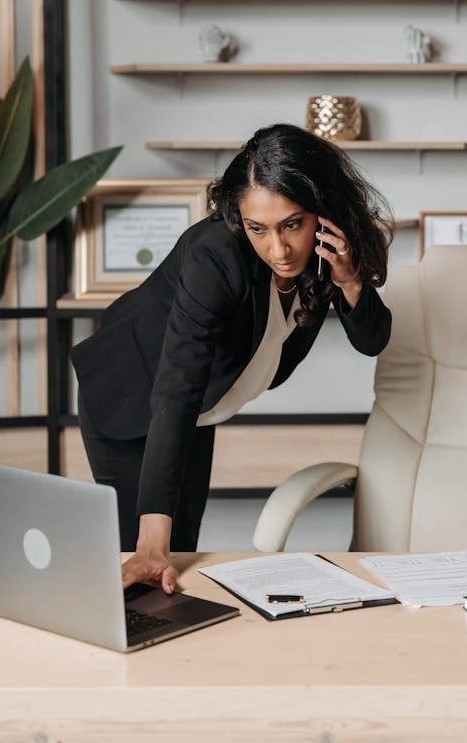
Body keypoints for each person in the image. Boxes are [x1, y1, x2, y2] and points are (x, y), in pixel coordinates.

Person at [72, 123, 393, 593]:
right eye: (258, 228)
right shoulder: (215, 256)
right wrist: (151, 543)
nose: (279, 249)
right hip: (131, 396)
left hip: (198, 408)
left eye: (293, 224)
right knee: (142, 560)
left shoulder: (327, 254)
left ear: (322, 212)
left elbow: (372, 340)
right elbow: (177, 389)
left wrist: (348, 279)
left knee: (178, 557)